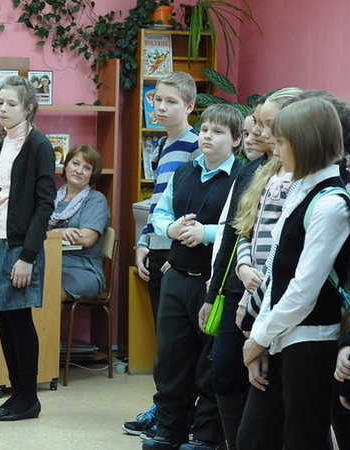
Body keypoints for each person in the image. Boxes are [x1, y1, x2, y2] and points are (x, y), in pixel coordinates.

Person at [238, 97, 350, 450]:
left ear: (304, 144)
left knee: (303, 439)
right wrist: (261, 336)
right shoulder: (299, 188)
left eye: (281, 142)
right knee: (254, 438)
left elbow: (303, 290)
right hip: (281, 335)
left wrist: (261, 338)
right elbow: (275, 271)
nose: (275, 151)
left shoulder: (331, 203)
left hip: (311, 342)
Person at [196, 88, 296, 450]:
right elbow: (238, 232)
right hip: (240, 287)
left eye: (267, 125)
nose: (259, 133)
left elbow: (284, 246)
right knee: (224, 372)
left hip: (275, 295)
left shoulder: (302, 179)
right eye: (257, 124)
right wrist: (227, 280)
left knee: (264, 384)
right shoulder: (254, 171)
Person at [142, 103, 244, 450]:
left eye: (218, 132)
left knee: (208, 363)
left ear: (236, 140)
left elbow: (240, 227)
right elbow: (160, 213)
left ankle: (206, 434)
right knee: (171, 360)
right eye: (205, 130)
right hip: (176, 276)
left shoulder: (242, 177)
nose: (208, 137)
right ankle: (170, 428)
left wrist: (206, 233)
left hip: (212, 282)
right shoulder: (185, 171)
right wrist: (171, 228)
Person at [0, 76, 56, 422]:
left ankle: (28, 397)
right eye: (0, 103)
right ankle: (16, 394)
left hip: (19, 245)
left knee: (19, 320)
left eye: (11, 104)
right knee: (3, 319)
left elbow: (44, 205)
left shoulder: (39, 146)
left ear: (29, 108)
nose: (2, 109)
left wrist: (27, 257)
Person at [125, 71, 201, 438]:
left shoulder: (195, 145)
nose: (161, 107)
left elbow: (194, 205)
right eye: (157, 100)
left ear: (189, 106)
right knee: (165, 340)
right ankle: (166, 408)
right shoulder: (161, 146)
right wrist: (143, 241)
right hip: (157, 248)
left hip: (179, 254)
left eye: (171, 101)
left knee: (179, 345)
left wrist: (176, 251)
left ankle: (179, 414)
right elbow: (158, 203)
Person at [48, 144, 111, 301]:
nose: (79, 170)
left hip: (82, 268)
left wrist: (51, 234)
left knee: (46, 292)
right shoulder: (50, 198)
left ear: (92, 174)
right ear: (66, 166)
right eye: (75, 163)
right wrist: (58, 232)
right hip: (49, 262)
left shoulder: (96, 200)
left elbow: (87, 238)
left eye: (86, 168)